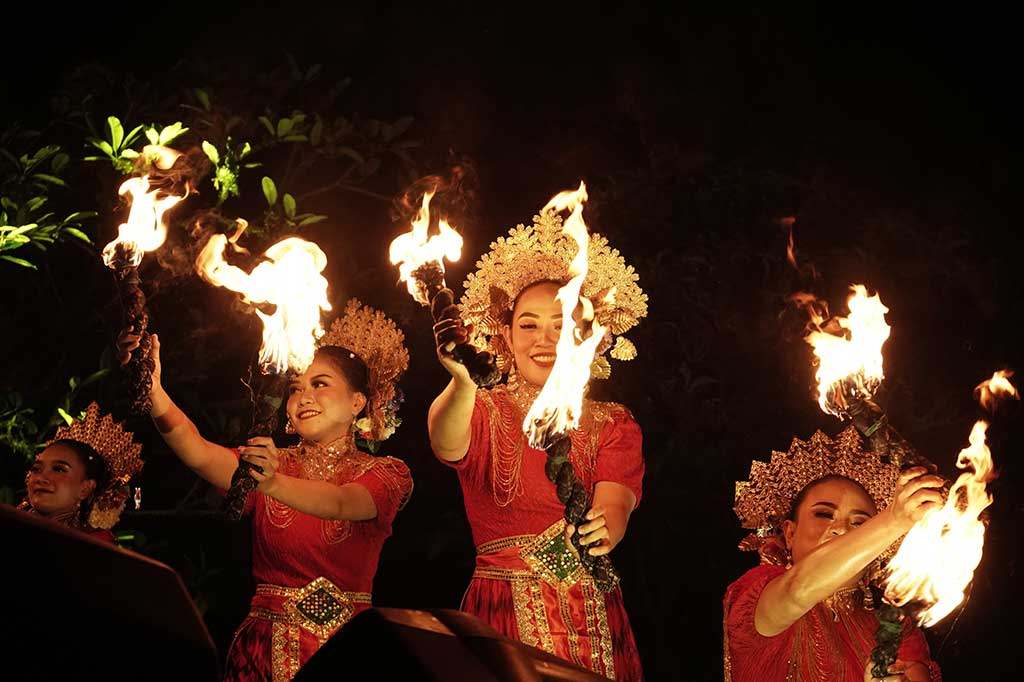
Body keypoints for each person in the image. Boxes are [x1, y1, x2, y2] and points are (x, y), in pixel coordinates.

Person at [118, 298, 412, 682]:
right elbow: (197, 450)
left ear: (358, 402)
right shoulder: (269, 462)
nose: (304, 397)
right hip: (263, 653)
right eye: (295, 388)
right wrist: (154, 390)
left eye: (320, 384)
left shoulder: (386, 473)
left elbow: (342, 503)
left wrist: (271, 482)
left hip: (348, 654)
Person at [427, 208, 649, 680]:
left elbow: (617, 502)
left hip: (591, 617)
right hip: (501, 614)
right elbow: (447, 445)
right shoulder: (484, 407)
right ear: (505, 335)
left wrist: (601, 528)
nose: (543, 339)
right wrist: (463, 384)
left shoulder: (611, 423)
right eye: (528, 324)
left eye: (561, 324)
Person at [725, 426, 945, 681]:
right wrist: (894, 520)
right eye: (823, 514)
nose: (840, 529)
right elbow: (797, 590)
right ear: (789, 532)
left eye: (860, 523)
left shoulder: (895, 627)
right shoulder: (759, 593)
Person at [18, 401, 143, 543]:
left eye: (59, 469)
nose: (41, 478)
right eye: (36, 469)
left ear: (85, 488)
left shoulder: (95, 543)